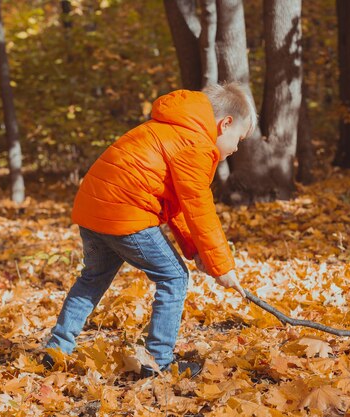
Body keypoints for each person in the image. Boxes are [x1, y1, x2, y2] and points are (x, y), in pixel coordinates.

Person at [42, 82, 257, 378]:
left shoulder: (174, 128)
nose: (235, 149)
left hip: (94, 208)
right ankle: (158, 362)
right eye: (239, 139)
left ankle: (56, 350)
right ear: (225, 124)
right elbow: (198, 205)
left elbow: (179, 206)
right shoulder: (196, 142)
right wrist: (222, 266)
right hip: (125, 211)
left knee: (93, 278)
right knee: (174, 276)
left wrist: (196, 251)